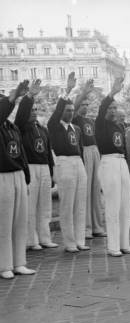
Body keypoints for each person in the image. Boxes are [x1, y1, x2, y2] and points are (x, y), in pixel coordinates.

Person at [47, 72, 90, 253]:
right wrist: (68, 90)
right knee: (67, 204)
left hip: (78, 162)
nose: (70, 114)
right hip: (64, 163)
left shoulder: (77, 128)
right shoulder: (55, 126)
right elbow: (57, 112)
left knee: (80, 204)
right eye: (67, 111)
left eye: (72, 111)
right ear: (62, 112)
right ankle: (70, 242)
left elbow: (79, 148)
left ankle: (80, 239)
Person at [14, 79, 58, 250]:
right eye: (30, 110)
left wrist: (52, 171)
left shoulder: (43, 129)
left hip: (44, 168)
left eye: (35, 110)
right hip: (31, 168)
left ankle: (44, 237)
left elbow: (48, 152)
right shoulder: (21, 128)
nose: (33, 112)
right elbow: (21, 114)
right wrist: (29, 96)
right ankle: (31, 240)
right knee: (31, 206)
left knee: (45, 205)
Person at [96, 76, 130, 257]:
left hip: (121, 163)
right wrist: (112, 92)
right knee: (113, 205)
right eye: (109, 108)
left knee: (125, 205)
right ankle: (113, 246)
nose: (112, 110)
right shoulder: (101, 124)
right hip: (109, 162)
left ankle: (124, 243)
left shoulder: (118, 126)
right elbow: (102, 107)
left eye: (114, 107)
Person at [0, 81, 36, 279]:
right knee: (3, 223)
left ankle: (19, 262)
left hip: (18, 176)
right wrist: (11, 99)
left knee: (20, 222)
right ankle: (4, 265)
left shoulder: (12, 127)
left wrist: (27, 98)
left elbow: (22, 119)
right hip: (2, 177)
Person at [73, 79, 105, 239]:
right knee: (85, 190)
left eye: (86, 104)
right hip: (84, 152)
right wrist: (84, 92)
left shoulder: (90, 120)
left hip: (94, 152)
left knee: (96, 188)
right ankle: (86, 227)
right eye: (82, 104)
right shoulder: (75, 119)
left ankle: (97, 226)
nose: (84, 107)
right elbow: (74, 105)